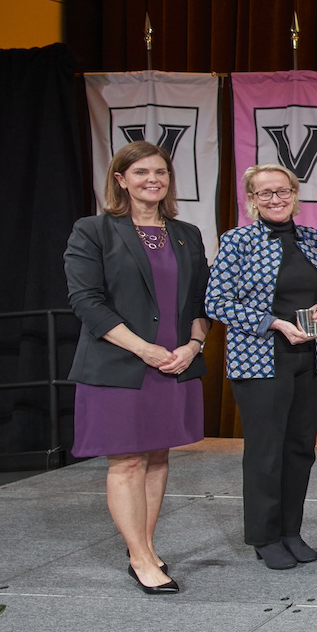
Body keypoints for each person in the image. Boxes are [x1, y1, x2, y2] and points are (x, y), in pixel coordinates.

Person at [65, 142, 210, 595]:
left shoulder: (187, 233)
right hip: (119, 366)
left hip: (174, 364)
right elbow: (86, 301)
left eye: (161, 172)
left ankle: (143, 547)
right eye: (142, 172)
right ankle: (142, 558)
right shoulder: (93, 230)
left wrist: (193, 344)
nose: (153, 179)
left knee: (158, 457)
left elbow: (199, 303)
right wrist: (144, 350)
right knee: (127, 461)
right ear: (121, 179)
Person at [205, 164, 317, 570]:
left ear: (295, 195)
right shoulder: (238, 241)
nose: (276, 199)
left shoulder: (313, 239)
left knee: (301, 449)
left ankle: (290, 530)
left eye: (283, 191)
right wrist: (275, 323)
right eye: (265, 194)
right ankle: (264, 536)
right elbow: (216, 302)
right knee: (266, 451)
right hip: (260, 360)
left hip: (310, 357)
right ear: (252, 200)